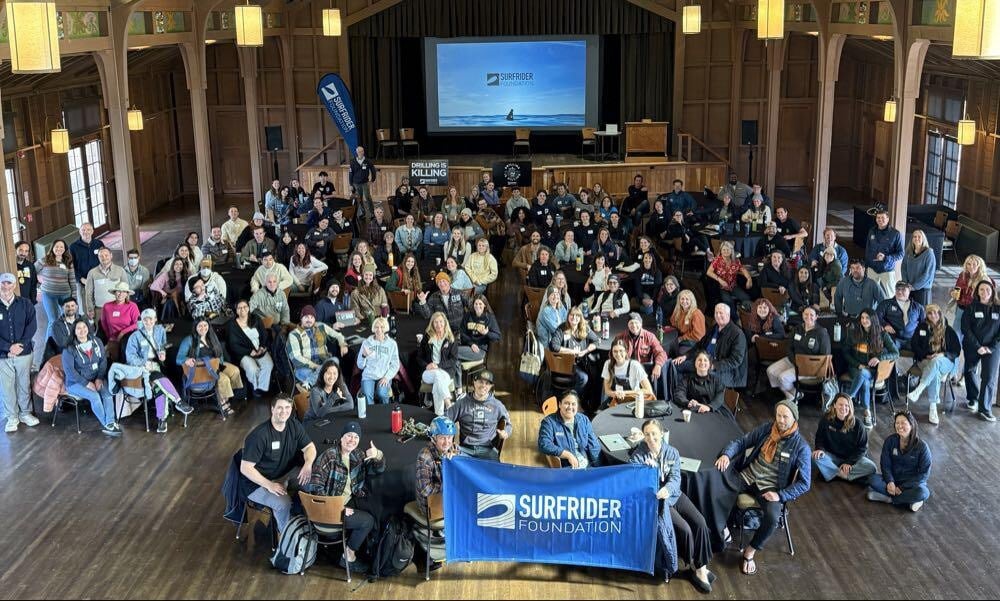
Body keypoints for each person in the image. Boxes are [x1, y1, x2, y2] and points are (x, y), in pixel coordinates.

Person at [715, 400, 810, 576]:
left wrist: (780, 495)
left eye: (785, 417)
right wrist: (727, 455)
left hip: (770, 488)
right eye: (778, 415)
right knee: (716, 489)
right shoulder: (768, 428)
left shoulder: (801, 447)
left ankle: (750, 551)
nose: (780, 420)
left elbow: (805, 483)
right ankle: (722, 529)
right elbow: (742, 441)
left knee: (773, 518)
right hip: (748, 476)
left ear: (794, 418)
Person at [632, 419, 714, 591]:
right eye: (647, 434)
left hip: (673, 495)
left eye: (654, 433)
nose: (651, 437)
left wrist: (668, 489)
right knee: (685, 529)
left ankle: (702, 566)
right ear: (643, 436)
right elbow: (633, 476)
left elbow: (676, 478)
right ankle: (695, 566)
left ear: (661, 433)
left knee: (700, 523)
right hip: (659, 501)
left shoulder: (672, 452)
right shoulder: (639, 454)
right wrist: (642, 469)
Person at [307, 420, 384, 571]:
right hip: (328, 510)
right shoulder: (329, 456)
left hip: (348, 500)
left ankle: (368, 552)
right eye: (349, 436)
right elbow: (315, 489)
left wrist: (378, 456)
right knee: (367, 521)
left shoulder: (357, 455)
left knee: (376, 511)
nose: (352, 440)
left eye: (356, 437)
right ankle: (348, 556)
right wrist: (339, 509)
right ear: (341, 437)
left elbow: (377, 470)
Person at [240, 396, 317, 534]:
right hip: (257, 483)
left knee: (314, 482)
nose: (284, 411)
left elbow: (309, 447)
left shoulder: (294, 425)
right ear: (272, 409)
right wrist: (269, 484)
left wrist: (308, 463)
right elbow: (245, 468)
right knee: (283, 504)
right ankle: (287, 538)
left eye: (287, 407)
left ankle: (306, 521)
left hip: (285, 473)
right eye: (280, 407)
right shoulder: (259, 435)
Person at [124, 309, 189, 433]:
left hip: (156, 364)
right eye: (145, 319)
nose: (148, 321)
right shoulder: (135, 336)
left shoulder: (160, 330)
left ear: (155, 320)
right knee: (159, 380)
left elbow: (163, 345)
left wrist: (162, 353)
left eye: (151, 319)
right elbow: (130, 357)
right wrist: (144, 363)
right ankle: (178, 402)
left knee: (159, 387)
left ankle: (162, 420)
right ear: (142, 321)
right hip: (140, 368)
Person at [61, 318, 119, 436]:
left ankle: (111, 422)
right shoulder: (69, 349)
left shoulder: (97, 341)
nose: (82, 330)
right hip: (75, 383)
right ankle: (107, 424)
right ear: (74, 332)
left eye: (84, 327)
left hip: (96, 378)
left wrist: (99, 378)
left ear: (88, 328)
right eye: (78, 328)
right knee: (95, 396)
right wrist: (86, 383)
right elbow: (70, 372)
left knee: (107, 393)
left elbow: (103, 361)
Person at [844, 309, 899, 429]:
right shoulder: (854, 333)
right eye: (862, 318)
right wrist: (858, 365)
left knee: (863, 375)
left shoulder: (882, 334)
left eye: (867, 318)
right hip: (856, 367)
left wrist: (880, 358)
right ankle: (867, 412)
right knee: (863, 377)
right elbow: (846, 353)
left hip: (874, 371)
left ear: (873, 320)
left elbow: (896, 353)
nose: (864, 321)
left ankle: (847, 399)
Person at [176, 318, 244, 415]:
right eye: (200, 326)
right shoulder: (189, 340)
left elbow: (219, 353)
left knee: (235, 371)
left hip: (216, 364)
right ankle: (222, 402)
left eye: (205, 325)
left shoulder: (211, 337)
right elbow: (178, 359)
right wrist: (186, 360)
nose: (203, 328)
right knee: (224, 380)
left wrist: (220, 364)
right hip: (203, 369)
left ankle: (225, 396)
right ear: (195, 327)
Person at [907, 304, 960, 425]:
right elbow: (914, 345)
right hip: (925, 360)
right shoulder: (921, 327)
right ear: (927, 315)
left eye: (936, 312)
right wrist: (926, 355)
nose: (933, 315)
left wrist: (942, 355)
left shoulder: (948, 329)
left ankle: (919, 389)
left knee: (936, 362)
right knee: (934, 372)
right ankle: (933, 408)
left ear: (940, 314)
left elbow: (956, 350)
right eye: (930, 313)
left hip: (945, 361)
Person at [867, 411, 931, 511]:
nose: (900, 426)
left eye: (903, 423)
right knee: (872, 479)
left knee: (923, 493)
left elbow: (923, 474)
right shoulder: (890, 441)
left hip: (912, 484)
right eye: (897, 423)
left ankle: (890, 499)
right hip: (894, 480)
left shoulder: (922, 447)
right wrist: (890, 482)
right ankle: (908, 501)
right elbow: (885, 464)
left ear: (911, 425)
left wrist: (902, 488)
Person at [674, 304, 748, 389]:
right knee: (677, 365)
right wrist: (685, 356)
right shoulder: (714, 328)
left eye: (721, 313)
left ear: (728, 315)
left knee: (699, 375)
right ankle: (678, 393)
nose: (718, 315)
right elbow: (699, 345)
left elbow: (735, 361)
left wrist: (713, 366)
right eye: (716, 313)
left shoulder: (737, 334)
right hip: (704, 362)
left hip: (727, 371)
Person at [0, 272, 39, 433]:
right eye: (3, 283)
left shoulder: (25, 303)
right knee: (7, 387)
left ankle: (25, 413)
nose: (6, 287)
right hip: (3, 355)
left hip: (24, 353)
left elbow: (32, 326)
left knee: (24, 384)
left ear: (14, 285)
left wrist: (20, 345)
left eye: (9, 283)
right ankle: (12, 417)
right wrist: (8, 348)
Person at [766, 307, 830, 402]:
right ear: (802, 315)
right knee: (770, 371)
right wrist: (795, 361)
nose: (808, 317)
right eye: (806, 314)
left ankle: (791, 398)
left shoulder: (821, 333)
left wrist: (804, 364)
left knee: (783, 378)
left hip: (811, 367)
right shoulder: (797, 329)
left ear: (816, 317)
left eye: (811, 315)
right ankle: (794, 393)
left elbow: (825, 355)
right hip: (794, 360)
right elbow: (789, 348)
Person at [446, 370, 511, 460]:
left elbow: (508, 424)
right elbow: (446, 420)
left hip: (488, 449)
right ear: (474, 382)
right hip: (465, 449)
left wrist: (506, 432)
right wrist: (448, 441)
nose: (483, 386)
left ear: (491, 386)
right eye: (480, 382)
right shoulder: (462, 403)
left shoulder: (497, 405)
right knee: (450, 460)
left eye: (487, 383)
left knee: (494, 470)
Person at [812, 393, 877, 483]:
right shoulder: (826, 420)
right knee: (815, 457)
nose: (843, 408)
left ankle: (833, 473)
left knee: (871, 467)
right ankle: (845, 475)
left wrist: (849, 462)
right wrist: (819, 449)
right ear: (834, 405)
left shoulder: (858, 425)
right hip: (832, 457)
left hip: (852, 459)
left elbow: (862, 448)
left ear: (850, 407)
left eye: (847, 405)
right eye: (840, 404)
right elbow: (819, 438)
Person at [961, 280, 1000, 422]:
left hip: (992, 348)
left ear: (993, 292)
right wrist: (978, 347)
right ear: (977, 291)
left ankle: (985, 409)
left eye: (988, 290)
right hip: (973, 345)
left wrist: (990, 347)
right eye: (982, 290)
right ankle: (973, 398)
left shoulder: (998, 309)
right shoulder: (971, 307)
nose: (985, 293)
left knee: (989, 377)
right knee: (969, 370)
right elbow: (966, 328)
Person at [288, 305, 348, 387]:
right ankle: (323, 387)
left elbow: (338, 335)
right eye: (306, 317)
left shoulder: (321, 326)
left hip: (324, 363)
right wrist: (316, 367)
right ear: (301, 318)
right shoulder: (294, 335)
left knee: (335, 360)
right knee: (330, 376)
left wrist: (342, 344)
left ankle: (310, 382)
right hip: (304, 368)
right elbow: (296, 357)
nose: (309, 320)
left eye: (312, 317)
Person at [538, 392, 602, 468]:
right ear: (559, 405)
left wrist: (598, 466)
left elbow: (594, 445)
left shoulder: (583, 419)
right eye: (566, 403)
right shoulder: (549, 422)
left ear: (577, 406)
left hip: (586, 463)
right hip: (567, 466)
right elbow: (544, 444)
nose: (570, 407)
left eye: (573, 404)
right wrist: (567, 455)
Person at [225, 300, 274, 399]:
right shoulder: (231, 325)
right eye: (239, 308)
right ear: (236, 310)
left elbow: (264, 334)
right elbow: (233, 345)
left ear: (248, 308)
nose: (242, 309)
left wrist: (262, 347)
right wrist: (249, 352)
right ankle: (255, 389)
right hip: (243, 354)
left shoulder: (256, 319)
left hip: (259, 351)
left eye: (245, 307)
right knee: (253, 369)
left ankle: (261, 389)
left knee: (268, 365)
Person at [548, 306, 599, 400]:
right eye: (572, 315)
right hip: (564, 364)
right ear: (568, 316)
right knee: (583, 378)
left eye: (577, 316)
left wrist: (585, 351)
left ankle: (575, 397)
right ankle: (572, 398)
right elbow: (553, 346)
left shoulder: (585, 328)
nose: (574, 318)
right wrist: (572, 352)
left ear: (580, 318)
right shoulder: (562, 328)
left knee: (594, 375)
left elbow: (596, 341)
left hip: (580, 363)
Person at [615, 312, 670, 398]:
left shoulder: (650, 336)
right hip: (626, 371)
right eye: (631, 323)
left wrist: (658, 365)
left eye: (636, 323)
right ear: (628, 325)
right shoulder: (620, 337)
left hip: (644, 371)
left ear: (641, 324)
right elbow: (612, 354)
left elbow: (661, 353)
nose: (634, 325)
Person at [416, 312, 460, 415]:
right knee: (437, 375)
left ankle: (438, 415)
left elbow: (453, 360)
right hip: (428, 371)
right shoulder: (427, 337)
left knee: (438, 382)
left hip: (446, 371)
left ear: (445, 323)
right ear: (432, 324)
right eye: (435, 322)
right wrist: (426, 365)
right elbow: (419, 357)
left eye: (440, 322)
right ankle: (449, 404)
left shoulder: (451, 339)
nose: (438, 324)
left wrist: (438, 366)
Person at [35, 239, 76, 342]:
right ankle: (49, 347)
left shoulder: (68, 261)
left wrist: (74, 297)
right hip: (49, 294)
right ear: (52, 248)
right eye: (56, 246)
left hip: (65, 294)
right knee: (53, 320)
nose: (59, 249)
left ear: (65, 249)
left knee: (67, 319)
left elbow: (72, 279)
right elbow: (32, 271)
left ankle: (67, 342)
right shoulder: (44, 260)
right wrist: (38, 284)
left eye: (61, 247)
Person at [950, 254, 995, 346]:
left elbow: (990, 298)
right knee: (955, 336)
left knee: (972, 339)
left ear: (980, 265)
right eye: (968, 264)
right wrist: (952, 293)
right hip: (961, 309)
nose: (971, 267)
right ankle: (954, 358)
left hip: (975, 312)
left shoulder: (985, 279)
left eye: (974, 264)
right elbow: (957, 290)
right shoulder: (962, 275)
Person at [356, 316, 400, 406]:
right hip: (368, 375)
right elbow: (360, 365)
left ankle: (385, 412)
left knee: (382, 394)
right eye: (376, 327)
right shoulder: (366, 343)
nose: (379, 330)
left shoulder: (392, 344)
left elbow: (395, 364)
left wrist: (387, 377)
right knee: (367, 397)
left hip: (384, 375)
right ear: (373, 328)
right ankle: (372, 416)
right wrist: (363, 356)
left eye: (382, 327)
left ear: (386, 328)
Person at [602, 339, 654, 408]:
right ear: (611, 352)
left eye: (621, 351)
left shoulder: (634, 365)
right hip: (615, 400)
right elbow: (607, 390)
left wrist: (625, 393)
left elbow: (648, 390)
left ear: (626, 351)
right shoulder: (608, 364)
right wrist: (615, 394)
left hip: (633, 401)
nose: (618, 354)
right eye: (615, 351)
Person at [865, 211, 905, 300]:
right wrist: (866, 265)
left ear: (887, 219)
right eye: (878, 218)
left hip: (887, 269)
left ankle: (890, 313)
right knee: (870, 295)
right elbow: (868, 249)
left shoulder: (895, 234)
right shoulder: (872, 231)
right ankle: (872, 313)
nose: (880, 220)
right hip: (872, 269)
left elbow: (901, 253)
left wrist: (887, 258)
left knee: (890, 296)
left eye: (883, 218)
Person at [876, 281, 925, 351]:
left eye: (903, 290)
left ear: (909, 291)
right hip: (893, 339)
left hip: (912, 339)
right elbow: (876, 316)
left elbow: (923, 324)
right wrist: (884, 325)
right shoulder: (886, 304)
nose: (900, 292)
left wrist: (921, 337)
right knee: (885, 351)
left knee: (925, 350)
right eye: (898, 289)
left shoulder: (918, 307)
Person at [706, 241, 752, 314]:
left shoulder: (736, 261)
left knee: (746, 298)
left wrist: (749, 279)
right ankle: (734, 318)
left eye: (728, 250)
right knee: (728, 301)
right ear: (721, 251)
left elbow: (743, 269)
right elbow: (709, 272)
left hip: (733, 286)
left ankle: (743, 313)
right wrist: (720, 280)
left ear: (731, 251)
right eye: (724, 250)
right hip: (721, 287)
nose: (725, 251)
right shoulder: (717, 260)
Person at [83, 247, 126, 319]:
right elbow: (88, 293)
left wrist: (126, 307)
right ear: (98, 257)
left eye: (106, 255)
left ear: (111, 255)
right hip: (99, 309)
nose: (104, 258)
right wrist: (90, 309)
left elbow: (126, 290)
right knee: (100, 329)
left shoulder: (120, 270)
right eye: (101, 256)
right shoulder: (92, 272)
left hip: (117, 308)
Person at [69, 222, 105, 305]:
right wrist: (81, 279)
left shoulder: (99, 244)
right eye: (83, 230)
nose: (86, 232)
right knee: (84, 304)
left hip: (98, 278)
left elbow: (104, 260)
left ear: (92, 231)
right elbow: (71, 266)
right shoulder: (73, 247)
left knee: (100, 301)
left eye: (88, 229)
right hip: (82, 281)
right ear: (80, 232)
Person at [459, 294, 501, 362]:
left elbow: (497, 336)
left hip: (479, 350)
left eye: (480, 304)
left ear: (485, 305)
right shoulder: (468, 315)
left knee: (453, 351)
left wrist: (487, 333)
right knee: (454, 359)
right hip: (467, 346)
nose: (478, 306)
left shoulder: (489, 317)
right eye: (476, 303)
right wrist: (471, 344)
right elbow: (462, 333)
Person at [900, 230, 936, 306]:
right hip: (909, 288)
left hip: (922, 290)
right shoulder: (909, 252)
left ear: (923, 239)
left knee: (921, 315)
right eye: (914, 237)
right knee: (909, 313)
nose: (917, 238)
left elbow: (928, 274)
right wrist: (906, 284)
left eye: (919, 237)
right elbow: (903, 268)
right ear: (912, 239)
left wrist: (914, 286)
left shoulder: (929, 253)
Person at [100, 281, 140, 347]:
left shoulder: (132, 306)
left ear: (127, 294)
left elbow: (138, 323)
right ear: (115, 292)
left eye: (124, 291)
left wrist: (122, 332)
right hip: (113, 338)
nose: (121, 294)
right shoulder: (107, 306)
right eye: (118, 291)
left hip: (128, 337)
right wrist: (109, 336)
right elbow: (104, 323)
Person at [536, 286, 568, 350]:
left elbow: (567, 321)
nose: (555, 296)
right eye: (552, 294)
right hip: (549, 343)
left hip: (559, 337)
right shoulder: (546, 311)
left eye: (557, 294)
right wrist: (568, 333)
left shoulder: (561, 308)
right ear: (548, 297)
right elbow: (555, 330)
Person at [349, 146, 377, 216]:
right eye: (359, 151)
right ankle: (363, 212)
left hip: (365, 183)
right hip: (356, 183)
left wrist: (372, 180)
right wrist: (350, 184)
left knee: (368, 197)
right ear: (356, 152)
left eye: (362, 151)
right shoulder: (353, 161)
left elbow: (373, 170)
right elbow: (350, 173)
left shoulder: (368, 161)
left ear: (363, 152)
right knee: (359, 199)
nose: (360, 153)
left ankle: (372, 212)